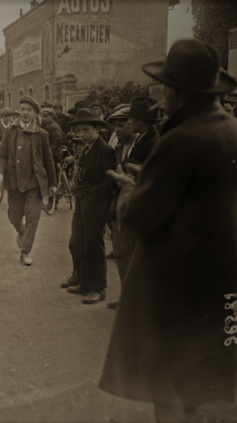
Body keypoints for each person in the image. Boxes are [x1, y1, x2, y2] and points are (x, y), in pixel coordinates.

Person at [100, 38, 237, 423]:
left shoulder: (181, 139)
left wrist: (129, 192)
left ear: (176, 91)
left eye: (164, 87)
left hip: (180, 292)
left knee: (170, 385)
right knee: (213, 386)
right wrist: (151, 179)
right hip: (230, 290)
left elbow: (141, 219)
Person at [0, 96, 57, 266]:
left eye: (29, 110)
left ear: (35, 113)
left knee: (32, 217)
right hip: (14, 184)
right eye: (22, 109)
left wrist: (52, 184)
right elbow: (1, 155)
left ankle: (25, 251)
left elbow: (48, 160)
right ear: (18, 110)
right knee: (14, 217)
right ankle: (21, 232)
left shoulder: (41, 134)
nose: (25, 113)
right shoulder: (9, 131)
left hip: (34, 184)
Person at [62, 108, 116, 304]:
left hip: (95, 202)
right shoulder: (84, 148)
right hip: (82, 200)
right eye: (79, 130)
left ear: (97, 129)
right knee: (80, 243)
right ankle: (85, 284)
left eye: (85, 130)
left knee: (94, 244)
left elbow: (109, 183)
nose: (81, 134)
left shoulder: (106, 151)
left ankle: (98, 288)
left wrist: (91, 197)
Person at [104, 108, 138, 310]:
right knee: (121, 253)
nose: (116, 130)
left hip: (134, 205)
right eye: (114, 126)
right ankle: (127, 296)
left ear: (132, 124)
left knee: (134, 255)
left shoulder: (141, 145)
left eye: (120, 125)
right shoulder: (118, 146)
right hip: (118, 204)